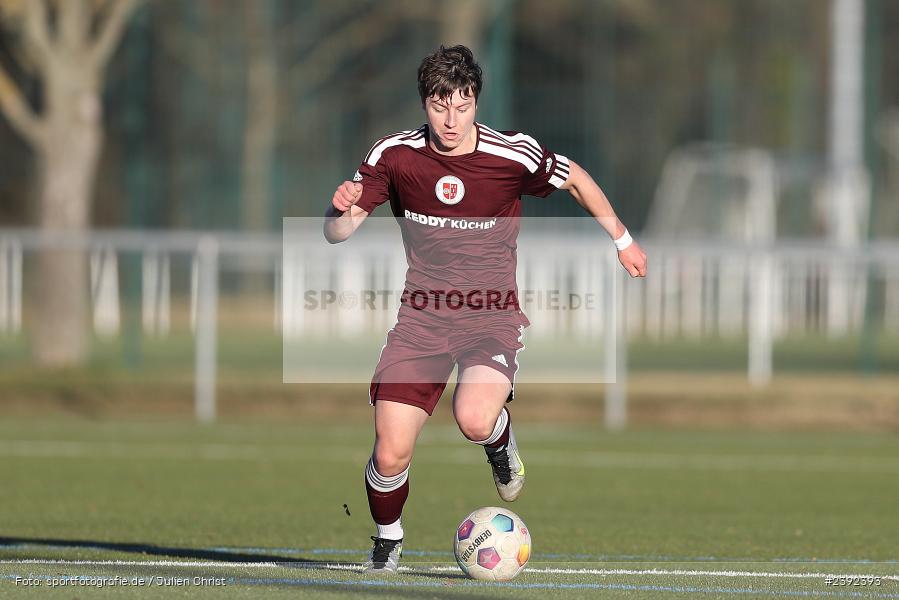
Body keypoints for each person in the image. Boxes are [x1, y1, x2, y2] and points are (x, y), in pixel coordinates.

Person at [324, 45, 647, 574]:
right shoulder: (395, 155)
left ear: (476, 102)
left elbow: (577, 179)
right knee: (389, 454)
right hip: (422, 319)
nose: (451, 120)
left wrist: (623, 239)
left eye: (463, 104)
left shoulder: (510, 154)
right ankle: (388, 538)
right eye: (438, 105)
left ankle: (499, 440)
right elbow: (339, 232)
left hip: (490, 316)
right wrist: (340, 209)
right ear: (424, 104)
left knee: (473, 419)